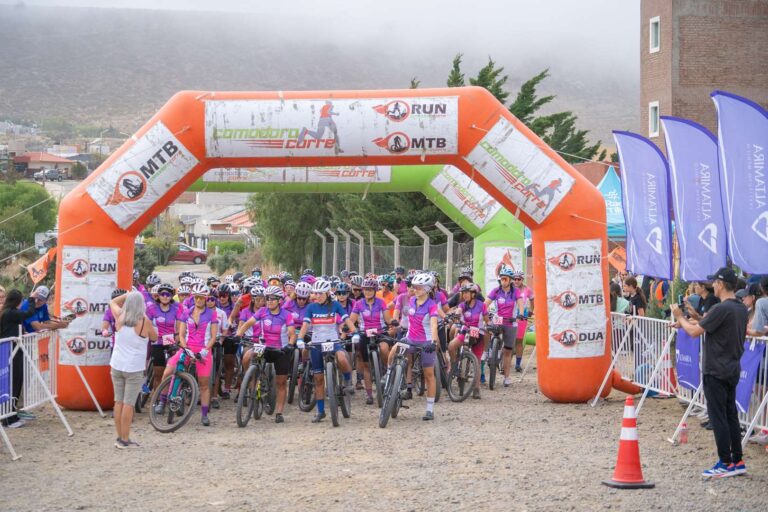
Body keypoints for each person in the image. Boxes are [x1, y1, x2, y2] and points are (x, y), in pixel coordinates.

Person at [671, 267, 748, 478]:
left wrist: (680, 316)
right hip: (732, 368)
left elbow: (695, 332)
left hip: (715, 369)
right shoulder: (739, 308)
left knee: (718, 418)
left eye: (714, 282)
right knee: (731, 415)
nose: (712, 285)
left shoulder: (721, 309)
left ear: (721, 284)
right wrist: (690, 319)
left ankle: (724, 462)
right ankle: (737, 461)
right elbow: (709, 323)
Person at [154, 283, 219, 426]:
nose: (199, 300)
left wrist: (206, 350)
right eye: (196, 297)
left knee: (203, 384)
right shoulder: (186, 312)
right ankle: (162, 401)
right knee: (168, 371)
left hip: (204, 350)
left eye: (202, 298)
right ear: (193, 298)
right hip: (187, 348)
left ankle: (204, 414)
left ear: (206, 298)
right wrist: (184, 347)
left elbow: (213, 336)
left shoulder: (212, 314)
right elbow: (182, 335)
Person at [235, 286, 296, 423]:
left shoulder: (286, 314)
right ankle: (251, 381)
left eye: (272, 299)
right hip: (263, 346)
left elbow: (292, 334)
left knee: (281, 383)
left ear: (279, 300)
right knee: (248, 356)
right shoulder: (262, 311)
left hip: (281, 350)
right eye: (267, 298)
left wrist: (291, 345)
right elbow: (248, 323)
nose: (269, 301)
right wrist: (238, 335)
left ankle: (279, 412)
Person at [296, 279, 353, 423]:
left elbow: (347, 320)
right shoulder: (311, 307)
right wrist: (300, 339)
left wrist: (355, 332)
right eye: (316, 293)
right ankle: (320, 411)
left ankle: (348, 381)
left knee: (341, 358)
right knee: (319, 379)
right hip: (316, 343)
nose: (318, 296)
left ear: (327, 293)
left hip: (333, 341)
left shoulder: (335, 305)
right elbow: (305, 325)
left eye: (321, 293)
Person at [109, 291, 158, 449]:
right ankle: (125, 438)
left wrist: (127, 295)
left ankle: (119, 436)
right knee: (128, 404)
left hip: (117, 364)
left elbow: (112, 302)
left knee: (118, 401)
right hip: (134, 368)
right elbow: (154, 338)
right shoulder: (144, 321)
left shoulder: (120, 317)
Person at [389, 272, 440, 420]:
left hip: (426, 342)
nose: (415, 289)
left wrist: (434, 342)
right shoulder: (411, 301)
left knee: (429, 375)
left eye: (418, 287)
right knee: (394, 350)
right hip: (410, 339)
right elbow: (403, 318)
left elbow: (434, 325)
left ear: (427, 289)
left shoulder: (432, 306)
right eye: (414, 287)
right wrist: (395, 324)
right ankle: (387, 375)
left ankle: (429, 410)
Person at [347, 278, 395, 405]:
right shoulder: (359, 304)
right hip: (364, 333)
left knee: (384, 349)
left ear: (375, 290)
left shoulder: (381, 302)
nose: (367, 292)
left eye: (370, 290)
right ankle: (369, 394)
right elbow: (352, 319)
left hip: (380, 332)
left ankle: (387, 370)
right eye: (365, 289)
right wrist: (347, 326)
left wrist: (392, 322)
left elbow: (387, 318)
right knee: (366, 365)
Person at [0, 290, 38, 428]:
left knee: (16, 383)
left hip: (14, 350)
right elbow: (28, 313)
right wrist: (32, 300)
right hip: (11, 351)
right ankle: (7, 419)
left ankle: (12, 415)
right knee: (12, 384)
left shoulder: (8, 312)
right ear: (16, 301)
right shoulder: (10, 313)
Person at [448, 283, 489, 399]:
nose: (464, 295)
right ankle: (455, 364)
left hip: (478, 333)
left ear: (473, 294)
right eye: (463, 293)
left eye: (467, 293)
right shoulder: (462, 305)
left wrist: (490, 325)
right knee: (451, 346)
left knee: (476, 360)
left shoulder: (482, 306)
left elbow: (487, 320)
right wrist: (456, 313)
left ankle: (476, 389)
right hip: (466, 331)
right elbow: (459, 310)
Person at [485, 266, 524, 387]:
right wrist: (484, 312)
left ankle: (506, 377)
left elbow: (520, 304)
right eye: (501, 279)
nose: (503, 281)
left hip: (511, 322)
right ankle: (490, 351)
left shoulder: (515, 291)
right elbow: (485, 304)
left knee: (507, 351)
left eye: (505, 279)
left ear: (510, 280)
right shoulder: (496, 291)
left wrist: (521, 314)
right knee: (488, 330)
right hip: (498, 320)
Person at [512, 271, 533, 372]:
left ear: (522, 279)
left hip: (522, 317)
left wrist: (531, 311)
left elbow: (533, 299)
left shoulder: (527, 290)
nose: (516, 281)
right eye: (515, 279)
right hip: (510, 315)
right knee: (508, 339)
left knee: (519, 340)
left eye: (518, 279)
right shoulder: (509, 288)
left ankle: (517, 364)